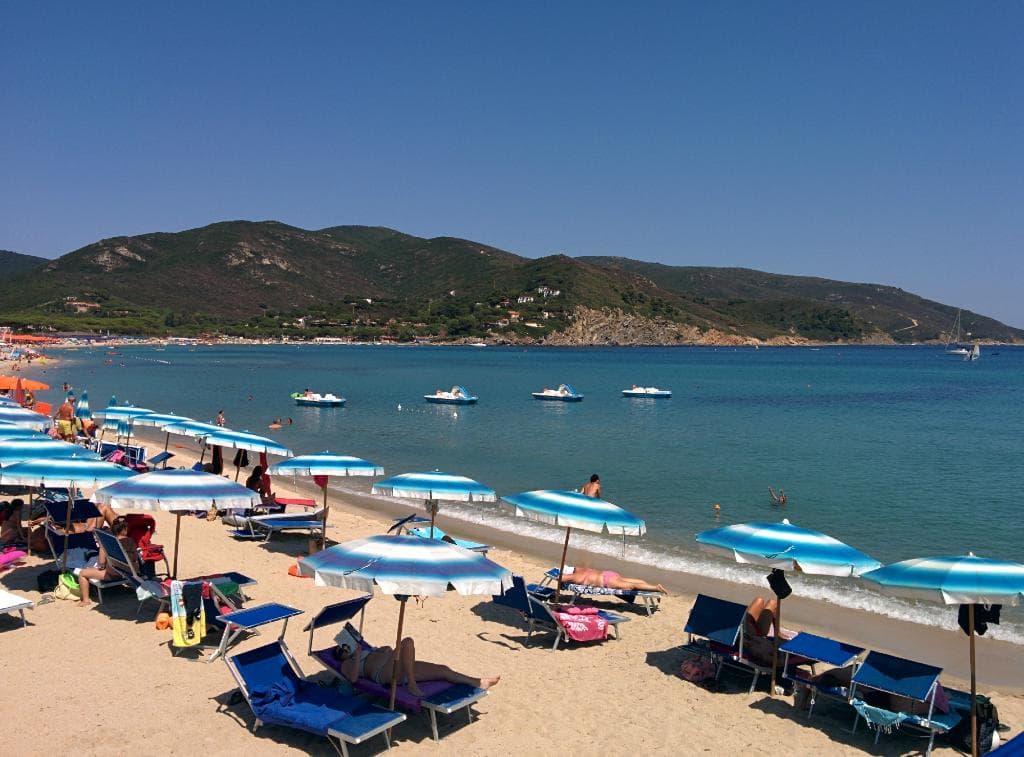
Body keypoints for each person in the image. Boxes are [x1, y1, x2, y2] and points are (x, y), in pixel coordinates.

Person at [333, 636, 500, 696]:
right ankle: (411, 684)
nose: (345, 649)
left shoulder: (364, 650)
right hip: (384, 674)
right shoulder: (346, 664)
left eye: (345, 646)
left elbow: (389, 652)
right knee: (407, 642)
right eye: (342, 650)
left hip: (398, 666)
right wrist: (355, 658)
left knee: (442, 669)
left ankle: (479, 682)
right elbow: (353, 679)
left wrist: (383, 650)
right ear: (341, 657)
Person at [77, 516, 139, 606]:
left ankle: (85, 600)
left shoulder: (109, 543)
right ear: (125, 529)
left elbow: (101, 564)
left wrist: (101, 566)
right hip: (131, 572)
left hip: (114, 574)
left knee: (82, 573)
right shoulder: (131, 541)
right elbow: (134, 558)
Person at [559, 565, 666, 593]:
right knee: (628, 581)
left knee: (631, 586)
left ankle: (655, 588)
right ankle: (646, 585)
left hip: (606, 580)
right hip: (609, 574)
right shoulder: (582, 569)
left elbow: (561, 578)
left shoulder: (577, 576)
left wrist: (559, 577)